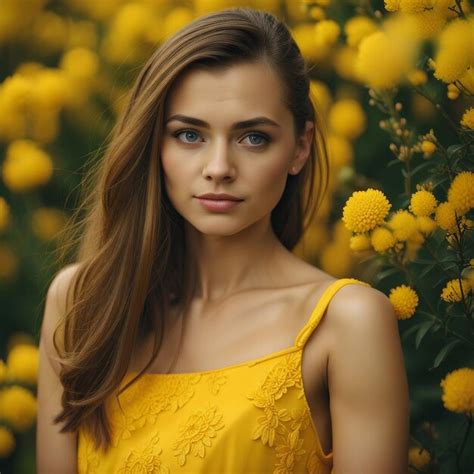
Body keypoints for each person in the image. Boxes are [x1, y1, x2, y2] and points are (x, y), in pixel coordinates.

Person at [36, 7, 409, 474]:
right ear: (155, 144)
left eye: (252, 138)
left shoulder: (345, 323)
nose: (218, 167)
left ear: (300, 147)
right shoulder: (82, 304)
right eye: (189, 134)